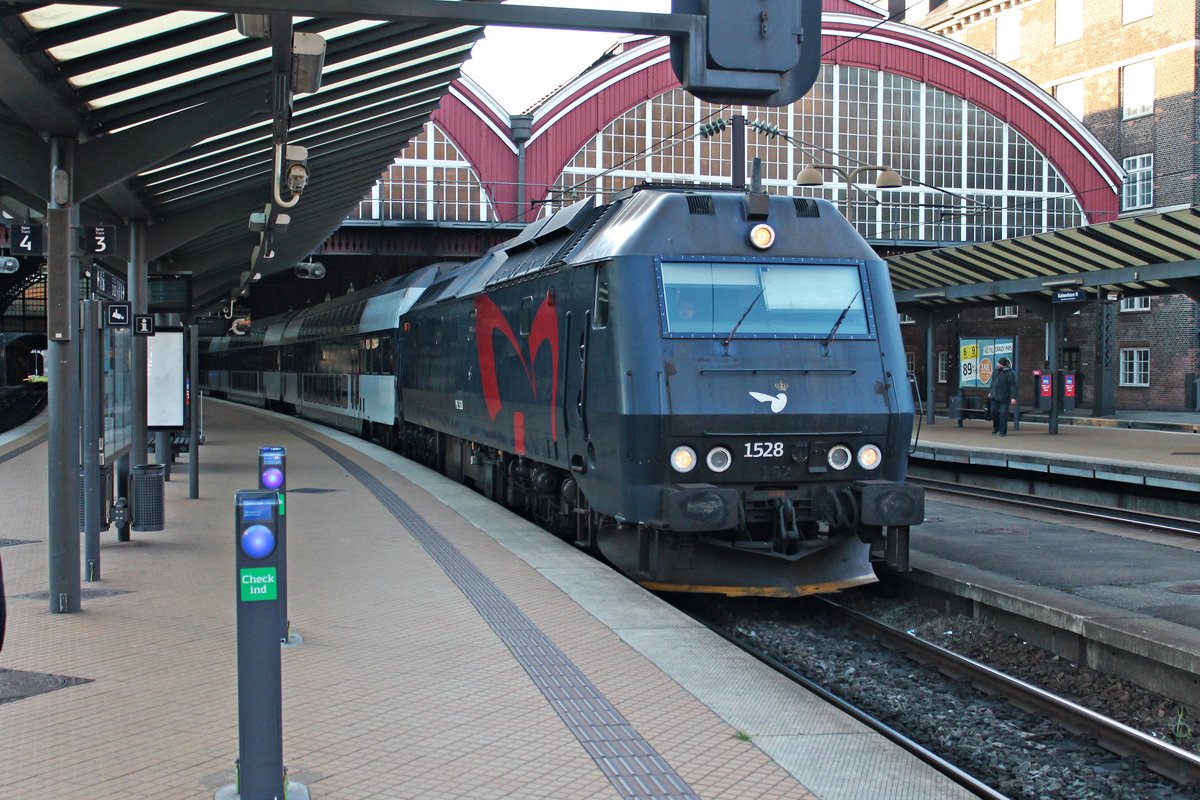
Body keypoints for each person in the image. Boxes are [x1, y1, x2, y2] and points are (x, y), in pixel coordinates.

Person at [989, 357, 1017, 436]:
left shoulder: (1010, 374)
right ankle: (996, 428)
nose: (997, 364)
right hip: (994, 395)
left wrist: (1013, 397)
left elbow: (1013, 386)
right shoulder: (996, 371)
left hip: (1004, 396)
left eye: (999, 363)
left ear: (1003, 365)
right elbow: (993, 382)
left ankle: (1003, 431)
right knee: (993, 412)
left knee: (1003, 414)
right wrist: (990, 391)